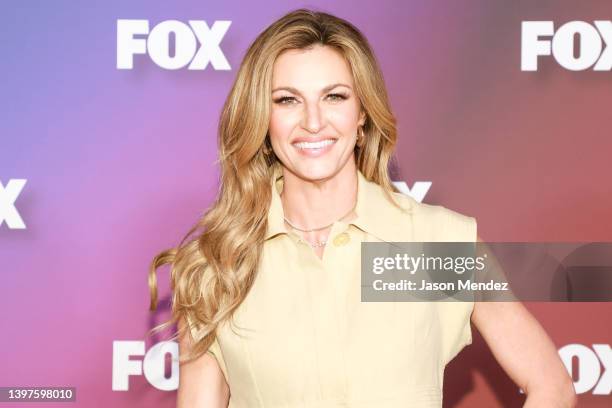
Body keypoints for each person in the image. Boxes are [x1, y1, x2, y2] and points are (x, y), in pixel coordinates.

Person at [148, 8, 576, 408]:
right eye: (287, 100)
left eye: (334, 96)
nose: (313, 121)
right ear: (262, 119)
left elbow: (551, 385)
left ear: (362, 116)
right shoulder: (218, 263)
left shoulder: (434, 244)